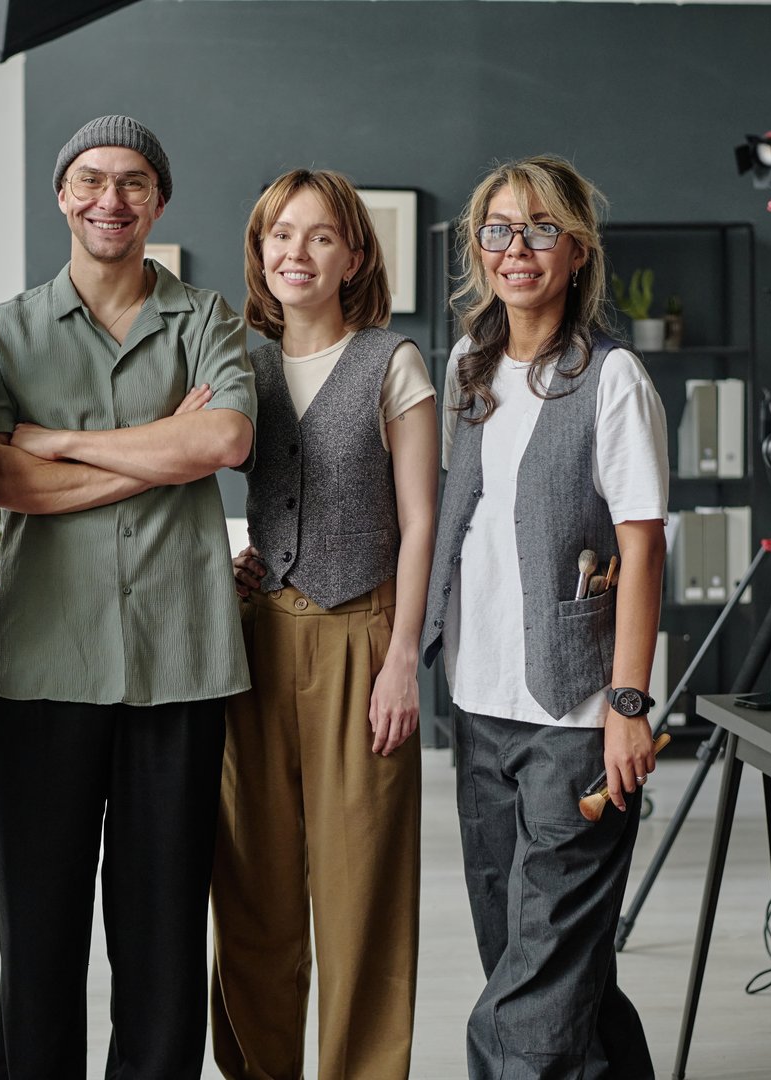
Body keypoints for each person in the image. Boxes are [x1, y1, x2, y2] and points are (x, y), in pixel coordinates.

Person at [0, 114, 255, 1079]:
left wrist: (60, 440)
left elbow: (221, 444)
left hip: (180, 664)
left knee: (164, 937)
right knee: (39, 938)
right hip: (46, 663)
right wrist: (153, 451)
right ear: (62, 194)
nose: (111, 199)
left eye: (133, 182)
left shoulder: (210, 320)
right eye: (91, 179)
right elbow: (1, 484)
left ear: (158, 201)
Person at [420, 154, 665, 1079]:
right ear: (478, 249)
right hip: (480, 705)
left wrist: (628, 704)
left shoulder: (612, 379)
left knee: (527, 999)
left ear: (576, 251)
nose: (515, 248)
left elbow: (642, 545)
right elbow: (463, 512)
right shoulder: (467, 365)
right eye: (497, 230)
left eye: (540, 229)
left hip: (574, 717)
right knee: (540, 962)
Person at [211, 169, 437, 1080]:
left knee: (363, 897)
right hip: (257, 642)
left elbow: (422, 520)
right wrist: (221, 560)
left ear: (353, 255)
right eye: (279, 235)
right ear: (260, 252)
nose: (296, 253)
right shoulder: (237, 359)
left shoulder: (394, 362)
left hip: (361, 640)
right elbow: (195, 474)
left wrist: (402, 663)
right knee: (254, 889)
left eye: (319, 237)